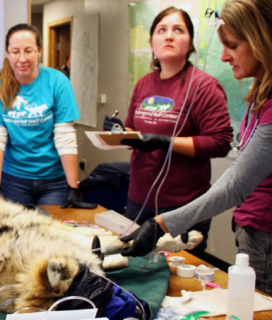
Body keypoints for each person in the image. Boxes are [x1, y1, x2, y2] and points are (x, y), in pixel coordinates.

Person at [121, 0, 272, 309]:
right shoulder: (270, 89)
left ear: (262, 40)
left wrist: (162, 223)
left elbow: (237, 182)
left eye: (233, 46)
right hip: (257, 229)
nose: (224, 56)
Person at [104, 7, 232, 258]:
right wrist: (119, 132)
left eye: (178, 30)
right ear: (152, 41)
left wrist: (166, 142)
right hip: (139, 198)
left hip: (182, 205)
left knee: (178, 274)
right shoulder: (144, 83)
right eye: (162, 30)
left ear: (190, 42)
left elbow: (220, 142)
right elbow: (135, 138)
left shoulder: (204, 86)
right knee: (135, 269)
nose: (169, 36)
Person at [0, 23, 95, 209]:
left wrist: (73, 188)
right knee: (18, 234)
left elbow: (65, 136)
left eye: (29, 51)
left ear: (39, 51)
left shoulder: (57, 81)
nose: (22, 58)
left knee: (50, 232)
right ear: (7, 52)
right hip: (14, 179)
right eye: (15, 51)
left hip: (54, 180)